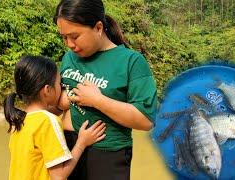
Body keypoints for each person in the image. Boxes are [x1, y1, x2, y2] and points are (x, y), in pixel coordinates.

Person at [53, 0, 158, 179]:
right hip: (67, 148)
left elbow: (145, 120)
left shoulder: (131, 61)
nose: (69, 44)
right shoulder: (70, 58)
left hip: (108, 153)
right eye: (64, 37)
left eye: (75, 36)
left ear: (98, 27)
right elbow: (54, 102)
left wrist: (98, 101)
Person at [3, 55, 106, 180]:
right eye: (59, 83)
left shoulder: (19, 122)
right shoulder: (48, 121)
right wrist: (82, 142)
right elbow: (58, 176)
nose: (62, 87)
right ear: (47, 90)